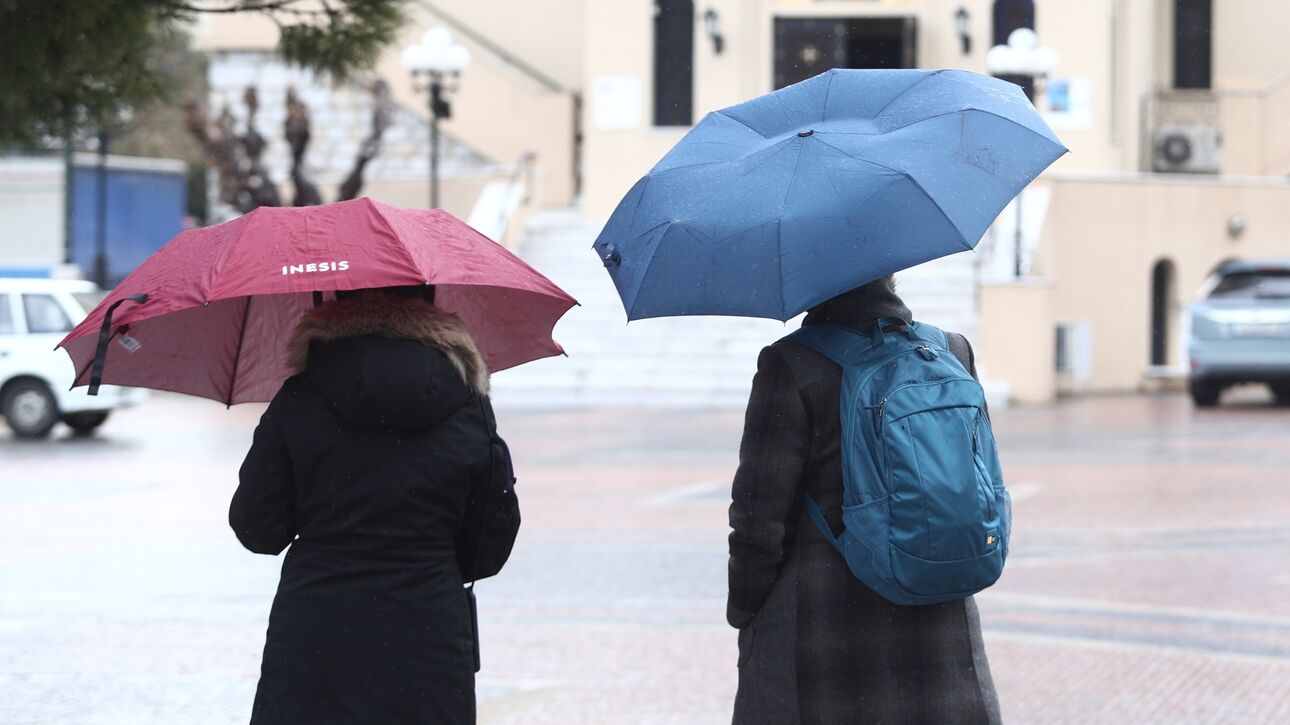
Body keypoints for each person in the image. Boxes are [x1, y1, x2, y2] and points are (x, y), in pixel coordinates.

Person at [230, 285, 519, 724]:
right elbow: (488, 545)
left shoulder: (299, 397)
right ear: (428, 300)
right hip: (428, 632)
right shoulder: (468, 406)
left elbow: (258, 529)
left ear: (338, 302)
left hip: (317, 630)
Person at [727, 275, 1002, 725]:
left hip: (827, 629)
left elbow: (758, 519)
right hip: (939, 616)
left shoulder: (793, 365)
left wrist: (745, 609)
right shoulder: (951, 351)